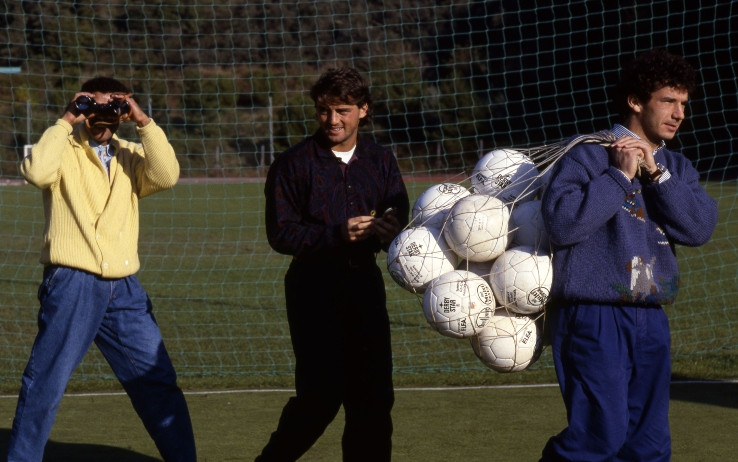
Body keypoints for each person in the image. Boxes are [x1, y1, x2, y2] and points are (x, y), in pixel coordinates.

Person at [539, 48, 718, 461]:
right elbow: (563, 224)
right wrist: (619, 176)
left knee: (649, 446)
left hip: (651, 316)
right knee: (597, 438)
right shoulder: (585, 154)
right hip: (593, 316)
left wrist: (657, 175)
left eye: (684, 104)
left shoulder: (677, 167)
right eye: (668, 101)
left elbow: (698, 228)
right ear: (636, 101)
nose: (679, 114)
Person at [9, 77, 197, 461]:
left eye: (114, 107)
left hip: (124, 287)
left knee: (157, 382)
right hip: (72, 281)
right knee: (46, 381)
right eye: (94, 107)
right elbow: (36, 172)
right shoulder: (64, 149)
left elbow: (166, 175)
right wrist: (67, 118)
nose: (103, 116)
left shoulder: (129, 153)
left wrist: (142, 119)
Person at [257, 67, 409, 461]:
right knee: (320, 398)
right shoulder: (292, 164)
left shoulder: (380, 160)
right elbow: (281, 234)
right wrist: (337, 234)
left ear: (363, 110)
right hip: (313, 289)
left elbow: (401, 214)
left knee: (373, 399)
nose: (332, 120)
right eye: (324, 111)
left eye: (342, 110)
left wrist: (392, 228)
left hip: (364, 287)